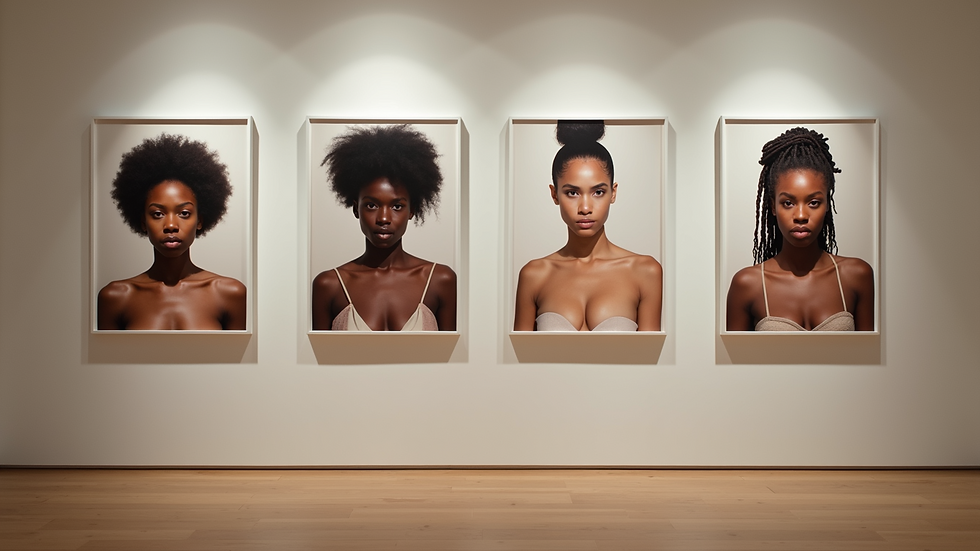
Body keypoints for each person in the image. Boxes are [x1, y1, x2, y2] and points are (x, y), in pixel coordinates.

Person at [514, 121, 662, 331]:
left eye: (598, 192)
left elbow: (651, 352)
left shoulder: (645, 272)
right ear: (554, 194)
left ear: (613, 192)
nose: (585, 208)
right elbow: (520, 352)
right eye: (572, 193)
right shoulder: (534, 275)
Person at [726, 127, 875, 331]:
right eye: (788, 203)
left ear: (827, 205)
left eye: (814, 202)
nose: (801, 215)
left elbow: (869, 352)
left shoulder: (856, 276)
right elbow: (733, 353)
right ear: (773, 206)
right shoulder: (747, 284)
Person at [312, 125, 457, 331]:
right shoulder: (329, 285)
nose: (383, 218)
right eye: (371, 205)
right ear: (356, 209)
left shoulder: (440, 280)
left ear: (412, 210)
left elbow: (453, 353)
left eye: (397, 206)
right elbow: (317, 353)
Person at [98, 134, 246, 330]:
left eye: (184, 213)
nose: (170, 225)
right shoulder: (116, 297)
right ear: (143, 222)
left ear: (199, 221)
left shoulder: (229, 293)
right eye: (158, 214)